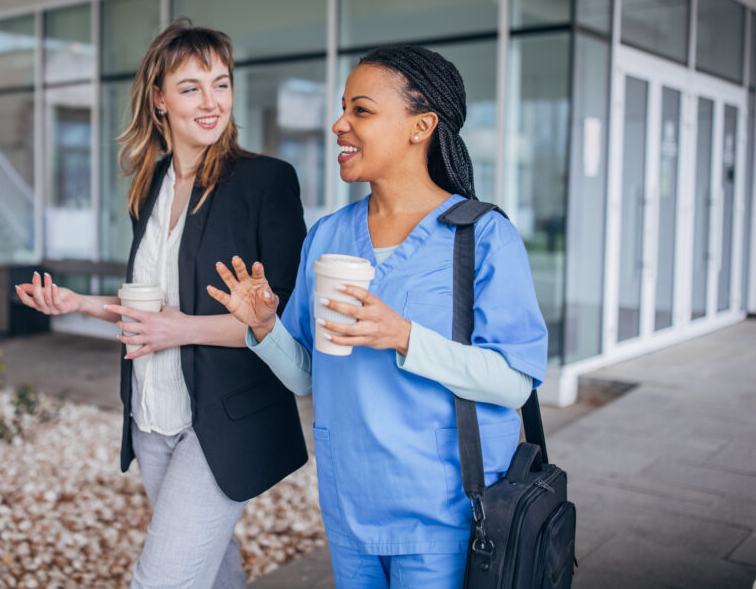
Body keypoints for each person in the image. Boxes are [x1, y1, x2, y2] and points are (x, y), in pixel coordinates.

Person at [208, 45, 548, 588]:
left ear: (421, 126)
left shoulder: (482, 236)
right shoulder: (327, 236)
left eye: (361, 110)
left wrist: (404, 336)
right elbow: (305, 374)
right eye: (343, 108)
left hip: (444, 516)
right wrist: (265, 326)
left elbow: (513, 384)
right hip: (350, 509)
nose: (339, 124)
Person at [15, 19, 308, 588]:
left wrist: (183, 329)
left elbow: (284, 324)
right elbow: (152, 309)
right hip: (152, 414)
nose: (211, 101)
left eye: (221, 84)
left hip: (222, 418)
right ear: (158, 99)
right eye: (191, 86)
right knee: (211, 568)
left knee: (163, 579)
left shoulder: (265, 182)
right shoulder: (150, 185)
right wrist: (79, 303)